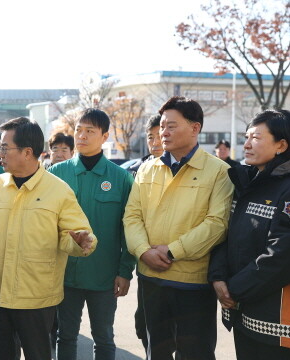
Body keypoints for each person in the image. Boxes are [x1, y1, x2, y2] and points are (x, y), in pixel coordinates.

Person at [0, 117, 97, 360]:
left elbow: (76, 235)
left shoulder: (58, 190)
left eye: (4, 147)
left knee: (38, 354)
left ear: (27, 152)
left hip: (37, 296)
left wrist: (79, 242)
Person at [123, 96, 234, 360]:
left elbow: (217, 224)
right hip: (151, 278)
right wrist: (142, 250)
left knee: (196, 352)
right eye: (162, 126)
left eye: (171, 126)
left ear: (195, 128)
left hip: (193, 283)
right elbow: (132, 216)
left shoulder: (219, 171)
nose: (164, 132)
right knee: (156, 351)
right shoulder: (147, 169)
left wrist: (172, 251)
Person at [49, 109, 135, 360]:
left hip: (104, 276)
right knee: (64, 336)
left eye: (90, 131)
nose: (82, 136)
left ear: (105, 136)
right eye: (78, 129)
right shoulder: (56, 174)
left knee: (104, 338)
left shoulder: (120, 178)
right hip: (64, 274)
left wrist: (124, 271)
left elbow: (128, 228)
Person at [208, 110, 290, 359]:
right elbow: (227, 234)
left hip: (275, 323)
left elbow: (282, 255)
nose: (245, 144)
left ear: (281, 145)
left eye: (256, 137)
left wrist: (233, 289)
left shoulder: (287, 190)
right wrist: (218, 277)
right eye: (246, 137)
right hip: (243, 314)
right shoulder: (247, 182)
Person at [127, 114, 163, 352]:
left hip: (186, 270)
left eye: (159, 135)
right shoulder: (139, 171)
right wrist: (142, 250)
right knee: (145, 327)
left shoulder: (210, 170)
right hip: (146, 263)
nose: (156, 141)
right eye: (151, 136)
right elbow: (131, 216)